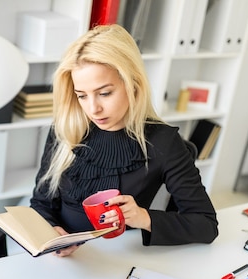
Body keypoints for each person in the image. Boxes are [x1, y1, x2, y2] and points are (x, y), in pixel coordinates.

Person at [30, 24, 218, 257]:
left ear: (133, 84)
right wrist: (51, 232)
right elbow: (41, 202)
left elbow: (206, 224)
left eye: (105, 93)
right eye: (82, 96)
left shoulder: (164, 142)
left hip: (120, 258)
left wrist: (143, 217)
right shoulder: (66, 128)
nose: (93, 109)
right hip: (64, 259)